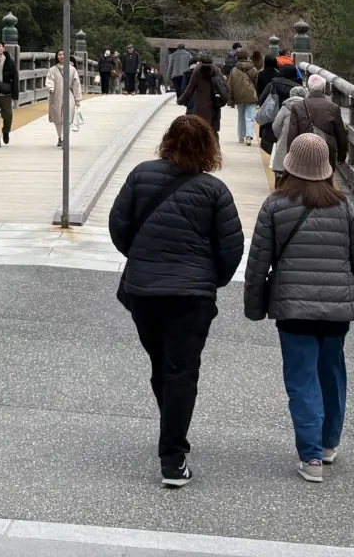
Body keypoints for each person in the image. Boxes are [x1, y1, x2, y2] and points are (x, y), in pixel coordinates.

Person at [108, 115, 245, 488]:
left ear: (167, 141)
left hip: (144, 291)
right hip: (192, 297)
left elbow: (118, 226)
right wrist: (209, 279)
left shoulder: (140, 175)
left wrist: (140, 258)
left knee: (160, 364)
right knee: (181, 370)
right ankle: (173, 456)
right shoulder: (215, 191)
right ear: (208, 148)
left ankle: (172, 430)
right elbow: (231, 248)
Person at [243, 132, 354, 484]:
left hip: (292, 309)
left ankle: (310, 455)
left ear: (290, 165)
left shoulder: (275, 205)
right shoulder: (343, 205)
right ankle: (329, 443)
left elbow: (258, 263)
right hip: (337, 309)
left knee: (302, 381)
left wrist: (255, 306)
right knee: (332, 375)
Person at [279, 73, 351, 166]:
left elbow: (292, 133)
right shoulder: (333, 108)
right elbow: (340, 134)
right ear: (324, 89)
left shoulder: (297, 107)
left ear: (308, 89)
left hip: (303, 152)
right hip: (325, 153)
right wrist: (342, 156)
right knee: (324, 176)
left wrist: (290, 154)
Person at [180, 58, 226, 136]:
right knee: (212, 132)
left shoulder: (197, 72)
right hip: (214, 105)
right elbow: (224, 88)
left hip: (200, 105)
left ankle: (199, 147)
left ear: (200, 62)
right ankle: (214, 147)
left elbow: (190, 88)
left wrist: (182, 100)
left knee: (198, 130)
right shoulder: (217, 72)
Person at [46, 49, 80, 146]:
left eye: (63, 55)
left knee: (67, 117)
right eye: (59, 55)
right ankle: (60, 137)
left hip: (68, 96)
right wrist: (51, 88)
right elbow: (49, 80)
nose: (61, 57)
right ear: (57, 57)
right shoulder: (52, 70)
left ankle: (66, 138)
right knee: (58, 118)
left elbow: (76, 84)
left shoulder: (72, 70)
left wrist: (77, 99)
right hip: (56, 95)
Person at [229, 53, 260, 145]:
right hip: (251, 96)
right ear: (247, 58)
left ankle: (241, 137)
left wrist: (230, 99)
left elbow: (230, 86)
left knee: (241, 117)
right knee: (250, 117)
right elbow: (257, 83)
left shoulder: (234, 70)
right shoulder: (254, 69)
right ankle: (249, 136)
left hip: (238, 96)